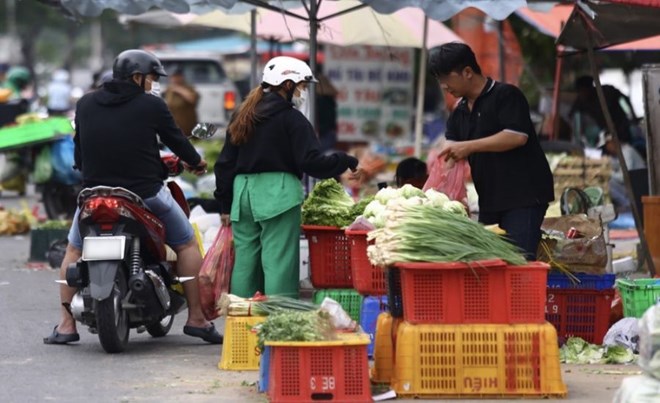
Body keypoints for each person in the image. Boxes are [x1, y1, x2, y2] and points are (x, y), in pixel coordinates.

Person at [44, 49, 222, 345]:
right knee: (187, 243)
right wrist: (195, 161)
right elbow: (176, 140)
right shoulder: (151, 105)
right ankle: (197, 319)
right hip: (145, 195)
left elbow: (79, 152)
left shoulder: (86, 103)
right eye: (151, 78)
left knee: (73, 252)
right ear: (137, 77)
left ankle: (65, 325)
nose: (153, 84)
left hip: (93, 195)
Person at [214, 56, 362, 299]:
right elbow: (312, 163)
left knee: (245, 261)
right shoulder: (292, 119)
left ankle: (239, 317)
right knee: (278, 260)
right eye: (302, 85)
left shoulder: (243, 114)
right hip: (277, 193)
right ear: (287, 84)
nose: (303, 92)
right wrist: (346, 160)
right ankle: (280, 319)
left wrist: (224, 203)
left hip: (242, 195)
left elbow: (225, 163)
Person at [429, 42, 554, 260]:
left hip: (523, 198)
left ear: (467, 72)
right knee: (490, 263)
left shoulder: (506, 96)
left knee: (518, 263)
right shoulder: (459, 112)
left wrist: (467, 146)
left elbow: (517, 136)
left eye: (446, 78)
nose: (443, 86)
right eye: (439, 80)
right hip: (490, 200)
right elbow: (451, 149)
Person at [570, 75, 637, 149]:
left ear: (590, 88)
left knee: (626, 148)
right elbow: (573, 116)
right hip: (606, 131)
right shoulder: (580, 102)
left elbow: (623, 100)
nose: (582, 94)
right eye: (579, 91)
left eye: (584, 90)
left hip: (621, 127)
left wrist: (631, 115)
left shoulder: (607, 92)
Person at [597, 131, 646, 213]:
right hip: (631, 187)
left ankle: (627, 205)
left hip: (638, 187)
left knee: (608, 183)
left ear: (611, 142)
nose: (606, 148)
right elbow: (614, 164)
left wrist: (607, 172)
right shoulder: (618, 154)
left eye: (607, 145)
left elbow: (623, 177)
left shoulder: (627, 151)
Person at [163, 66, 199, 137]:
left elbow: (192, 99)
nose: (174, 79)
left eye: (176, 77)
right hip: (174, 127)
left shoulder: (189, 88)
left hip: (187, 127)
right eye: (172, 77)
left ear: (181, 77)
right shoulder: (168, 89)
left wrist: (178, 89)